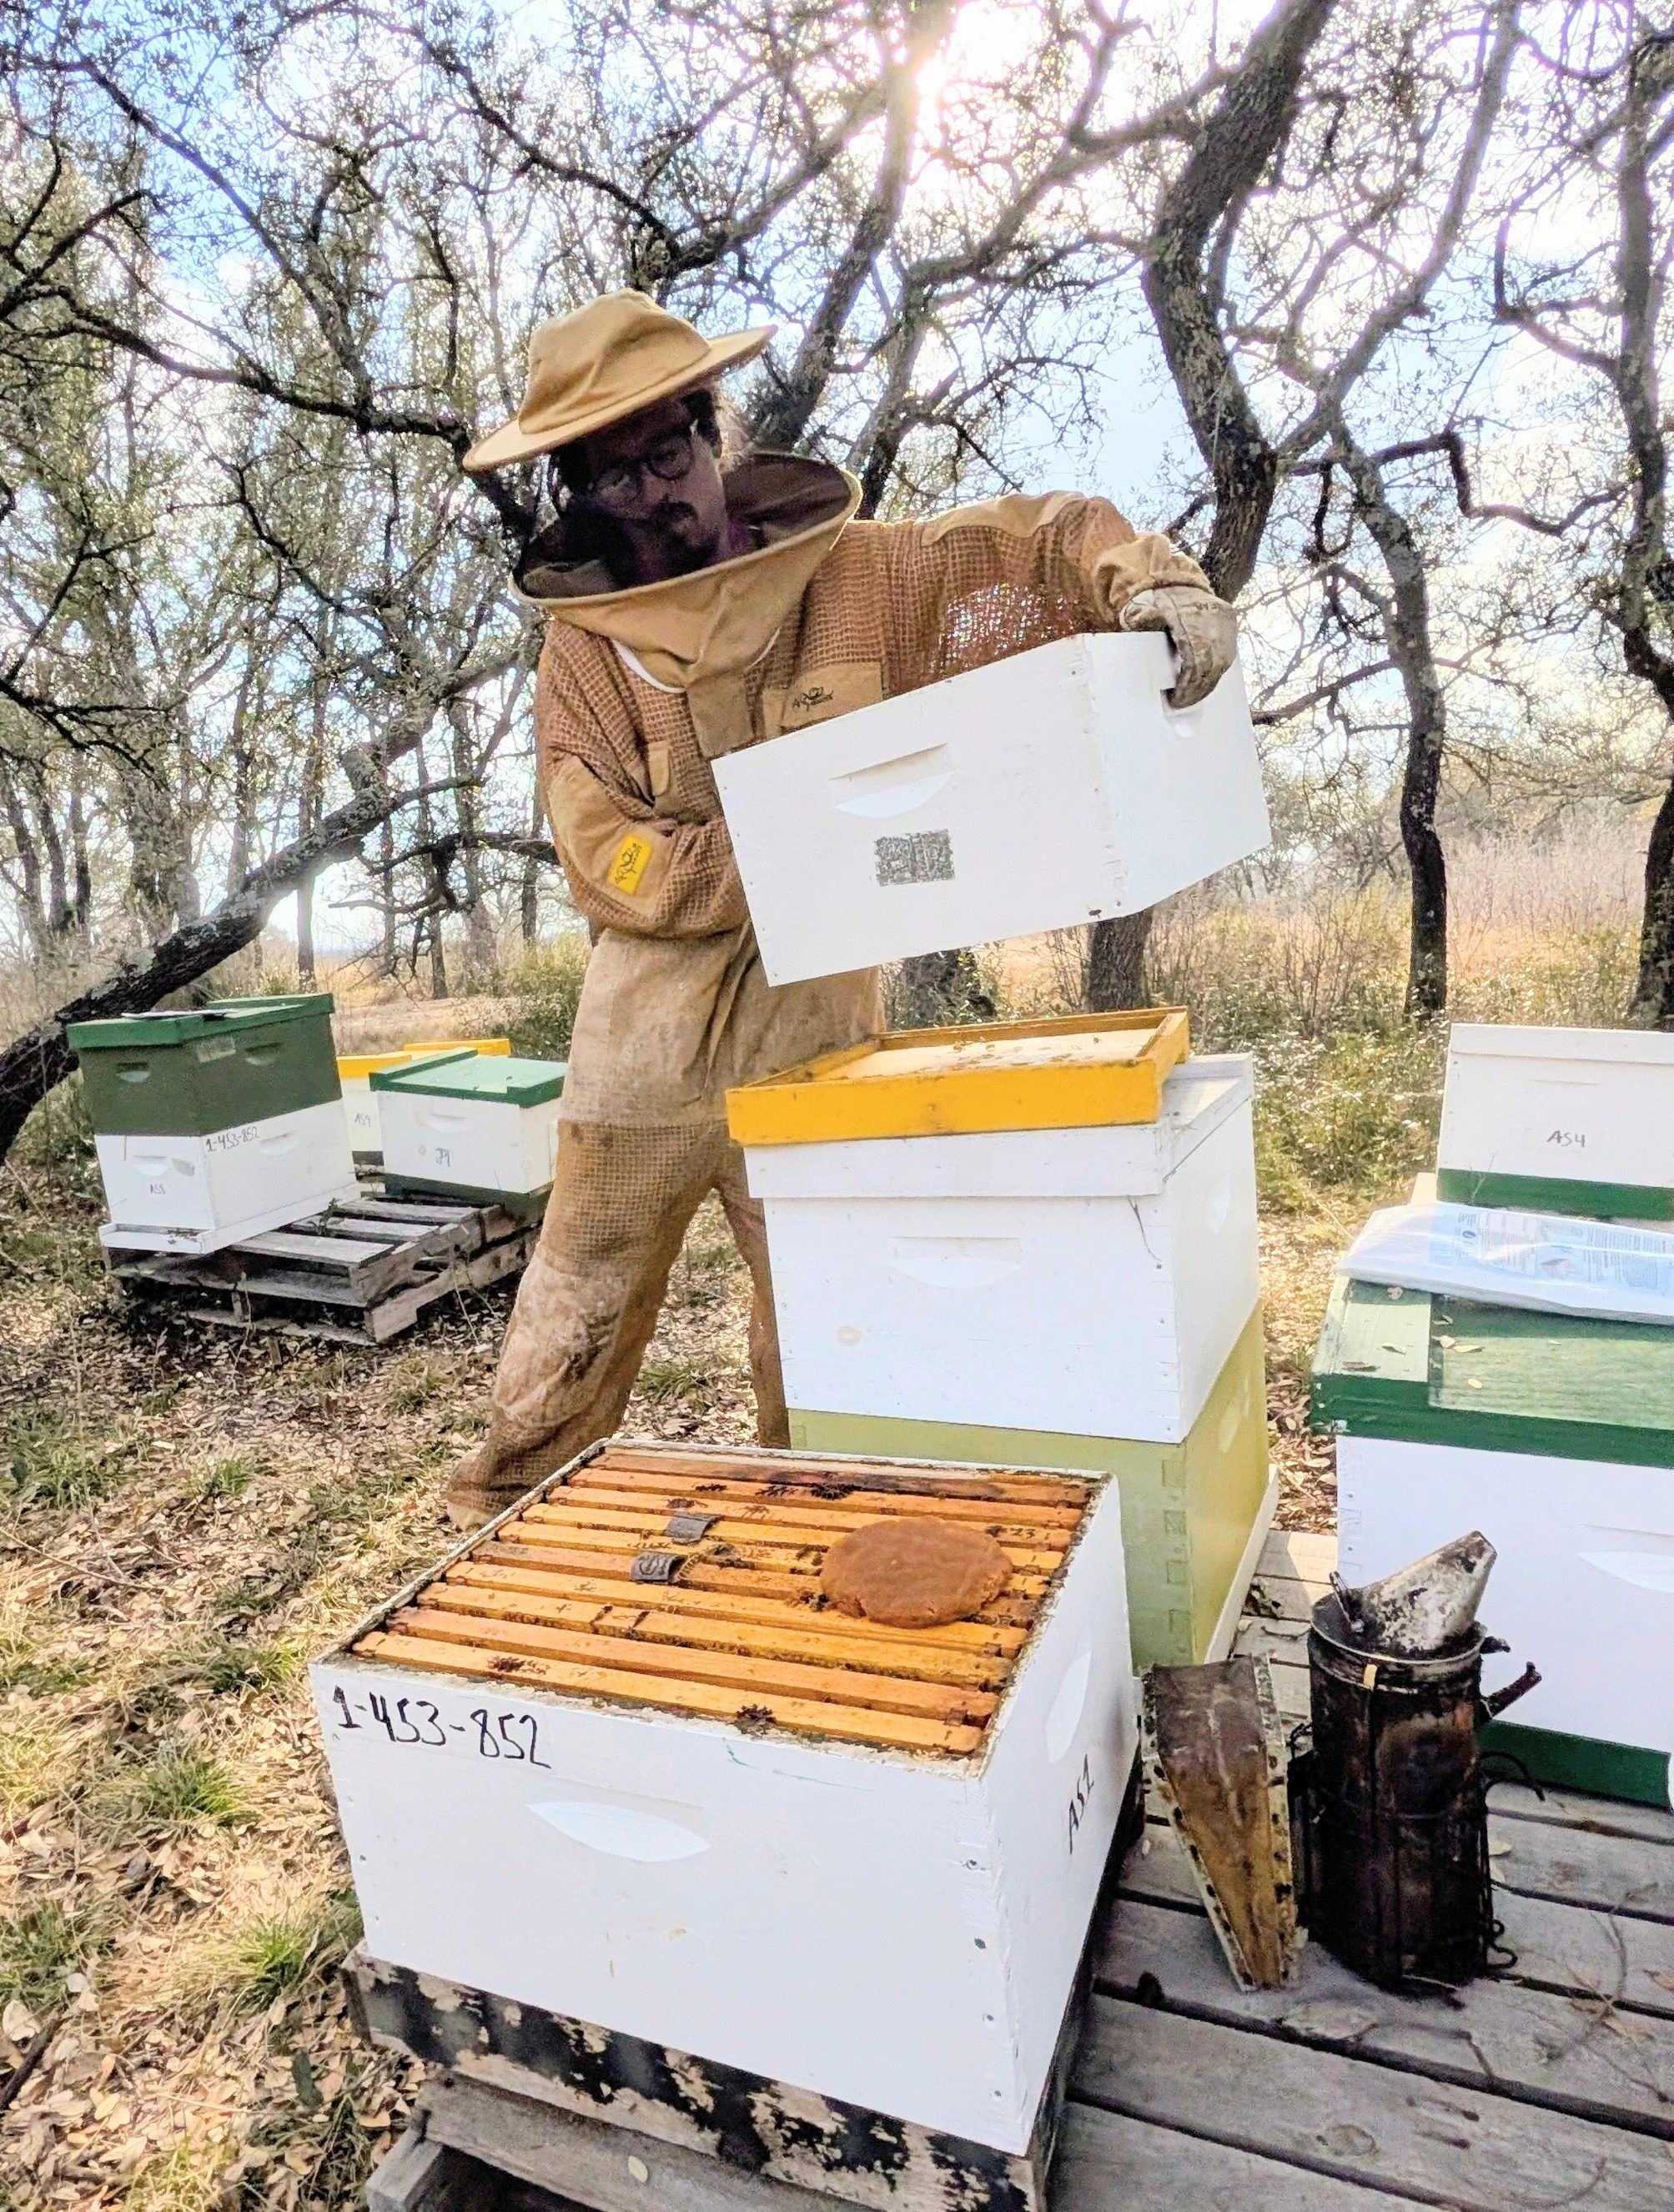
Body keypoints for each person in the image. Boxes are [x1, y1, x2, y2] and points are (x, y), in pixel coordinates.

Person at [446, 289, 1236, 1528]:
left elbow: (1033, 540)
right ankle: (494, 1541)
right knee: (573, 1317)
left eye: (670, 451)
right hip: (639, 1050)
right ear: (579, 497)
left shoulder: (860, 577)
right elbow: (605, 859)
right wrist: (801, 844)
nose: (656, 490)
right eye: (616, 474)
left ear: (715, 437)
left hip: (818, 1032)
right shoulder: (585, 652)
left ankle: (816, 1529)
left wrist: (1151, 583)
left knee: (829, 1324)